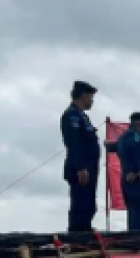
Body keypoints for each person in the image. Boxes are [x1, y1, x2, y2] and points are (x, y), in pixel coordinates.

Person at [60, 81, 100, 232]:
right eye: (91, 97)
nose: (92, 101)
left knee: (89, 205)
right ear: (83, 96)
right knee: (81, 206)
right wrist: (81, 168)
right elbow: (74, 143)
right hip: (81, 169)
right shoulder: (72, 116)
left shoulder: (83, 116)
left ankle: (85, 232)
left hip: (89, 168)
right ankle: (77, 237)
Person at [108, 112, 140, 232]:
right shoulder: (135, 137)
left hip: (128, 178)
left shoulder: (124, 137)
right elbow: (137, 155)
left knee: (133, 211)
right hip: (136, 179)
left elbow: (113, 147)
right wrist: (137, 170)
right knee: (138, 211)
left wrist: (109, 145)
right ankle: (136, 240)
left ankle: (133, 236)